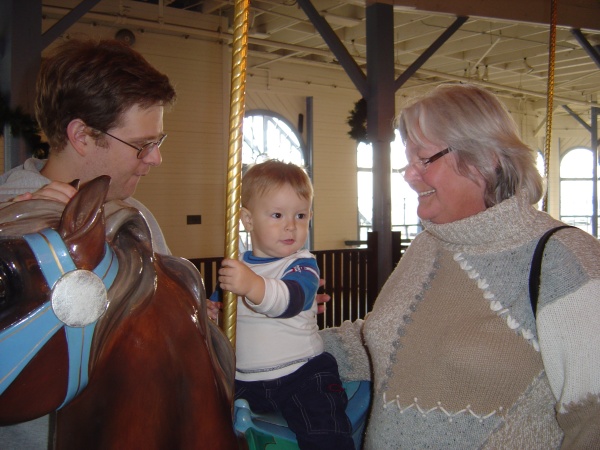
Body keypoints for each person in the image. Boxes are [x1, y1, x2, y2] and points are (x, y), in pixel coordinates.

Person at [320, 83, 600, 449]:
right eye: (408, 161)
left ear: (486, 158)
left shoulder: (564, 258)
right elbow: (384, 340)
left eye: (423, 159)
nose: (409, 174)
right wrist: (278, 335)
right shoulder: (428, 246)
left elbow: (592, 421)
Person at [0, 38, 176, 448]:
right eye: (142, 145)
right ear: (81, 135)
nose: (155, 158)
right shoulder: (7, 214)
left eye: (157, 142)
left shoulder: (135, 219)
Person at [210, 160, 354, 450]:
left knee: (324, 432)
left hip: (302, 377)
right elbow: (218, 310)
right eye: (277, 215)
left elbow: (290, 300)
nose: (291, 225)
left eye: (300, 215)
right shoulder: (236, 268)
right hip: (244, 380)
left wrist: (251, 286)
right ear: (248, 219)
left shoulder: (302, 265)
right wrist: (209, 313)